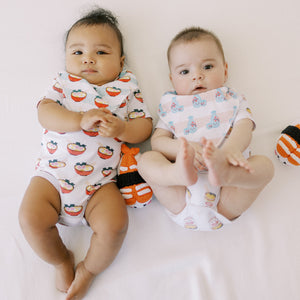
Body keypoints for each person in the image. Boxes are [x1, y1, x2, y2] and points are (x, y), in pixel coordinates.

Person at [18, 8, 152, 300]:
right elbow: (45, 113)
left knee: (115, 227)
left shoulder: (126, 88)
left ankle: (89, 270)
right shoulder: (64, 84)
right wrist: (78, 120)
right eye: (77, 52)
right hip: (53, 176)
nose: (88, 59)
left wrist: (122, 128)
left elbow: (144, 128)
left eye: (101, 52)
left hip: (101, 184)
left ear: (121, 61)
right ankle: (61, 259)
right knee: (30, 218)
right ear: (66, 58)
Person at [138, 27, 274, 231]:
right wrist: (183, 150)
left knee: (265, 166)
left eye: (208, 67)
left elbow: (244, 127)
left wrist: (228, 153)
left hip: (227, 198)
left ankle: (228, 174)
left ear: (225, 70)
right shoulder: (173, 106)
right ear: (172, 79)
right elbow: (158, 141)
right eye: (185, 71)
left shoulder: (231, 100)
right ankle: (176, 174)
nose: (197, 76)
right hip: (181, 195)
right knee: (145, 160)